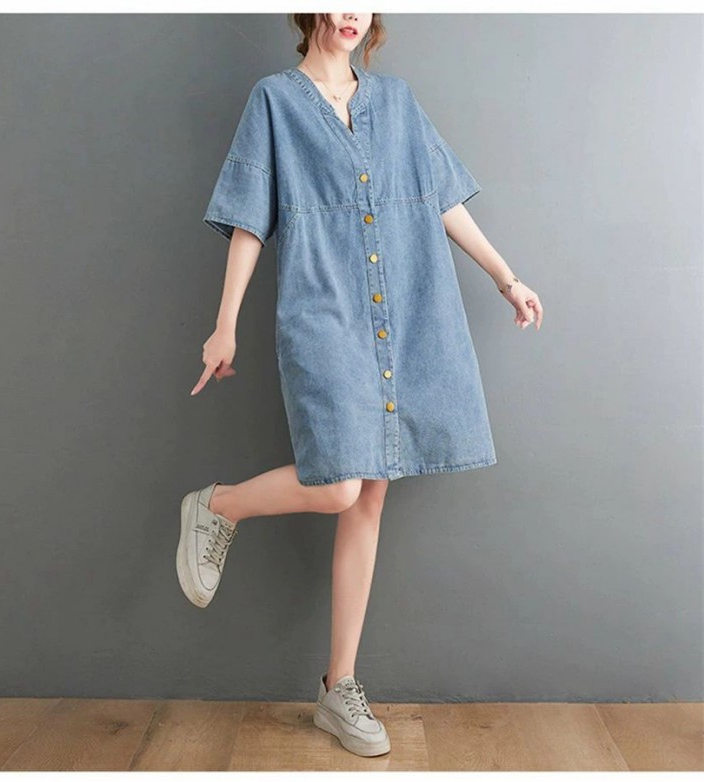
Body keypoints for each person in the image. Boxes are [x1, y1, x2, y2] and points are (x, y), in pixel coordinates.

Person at [177, 12, 543, 758]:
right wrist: (225, 324)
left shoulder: (397, 101)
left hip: (407, 309)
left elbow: (442, 199)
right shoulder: (274, 100)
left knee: (371, 495)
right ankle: (217, 506)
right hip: (324, 311)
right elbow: (249, 218)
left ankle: (338, 686)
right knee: (341, 485)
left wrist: (506, 277)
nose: (352, 11)